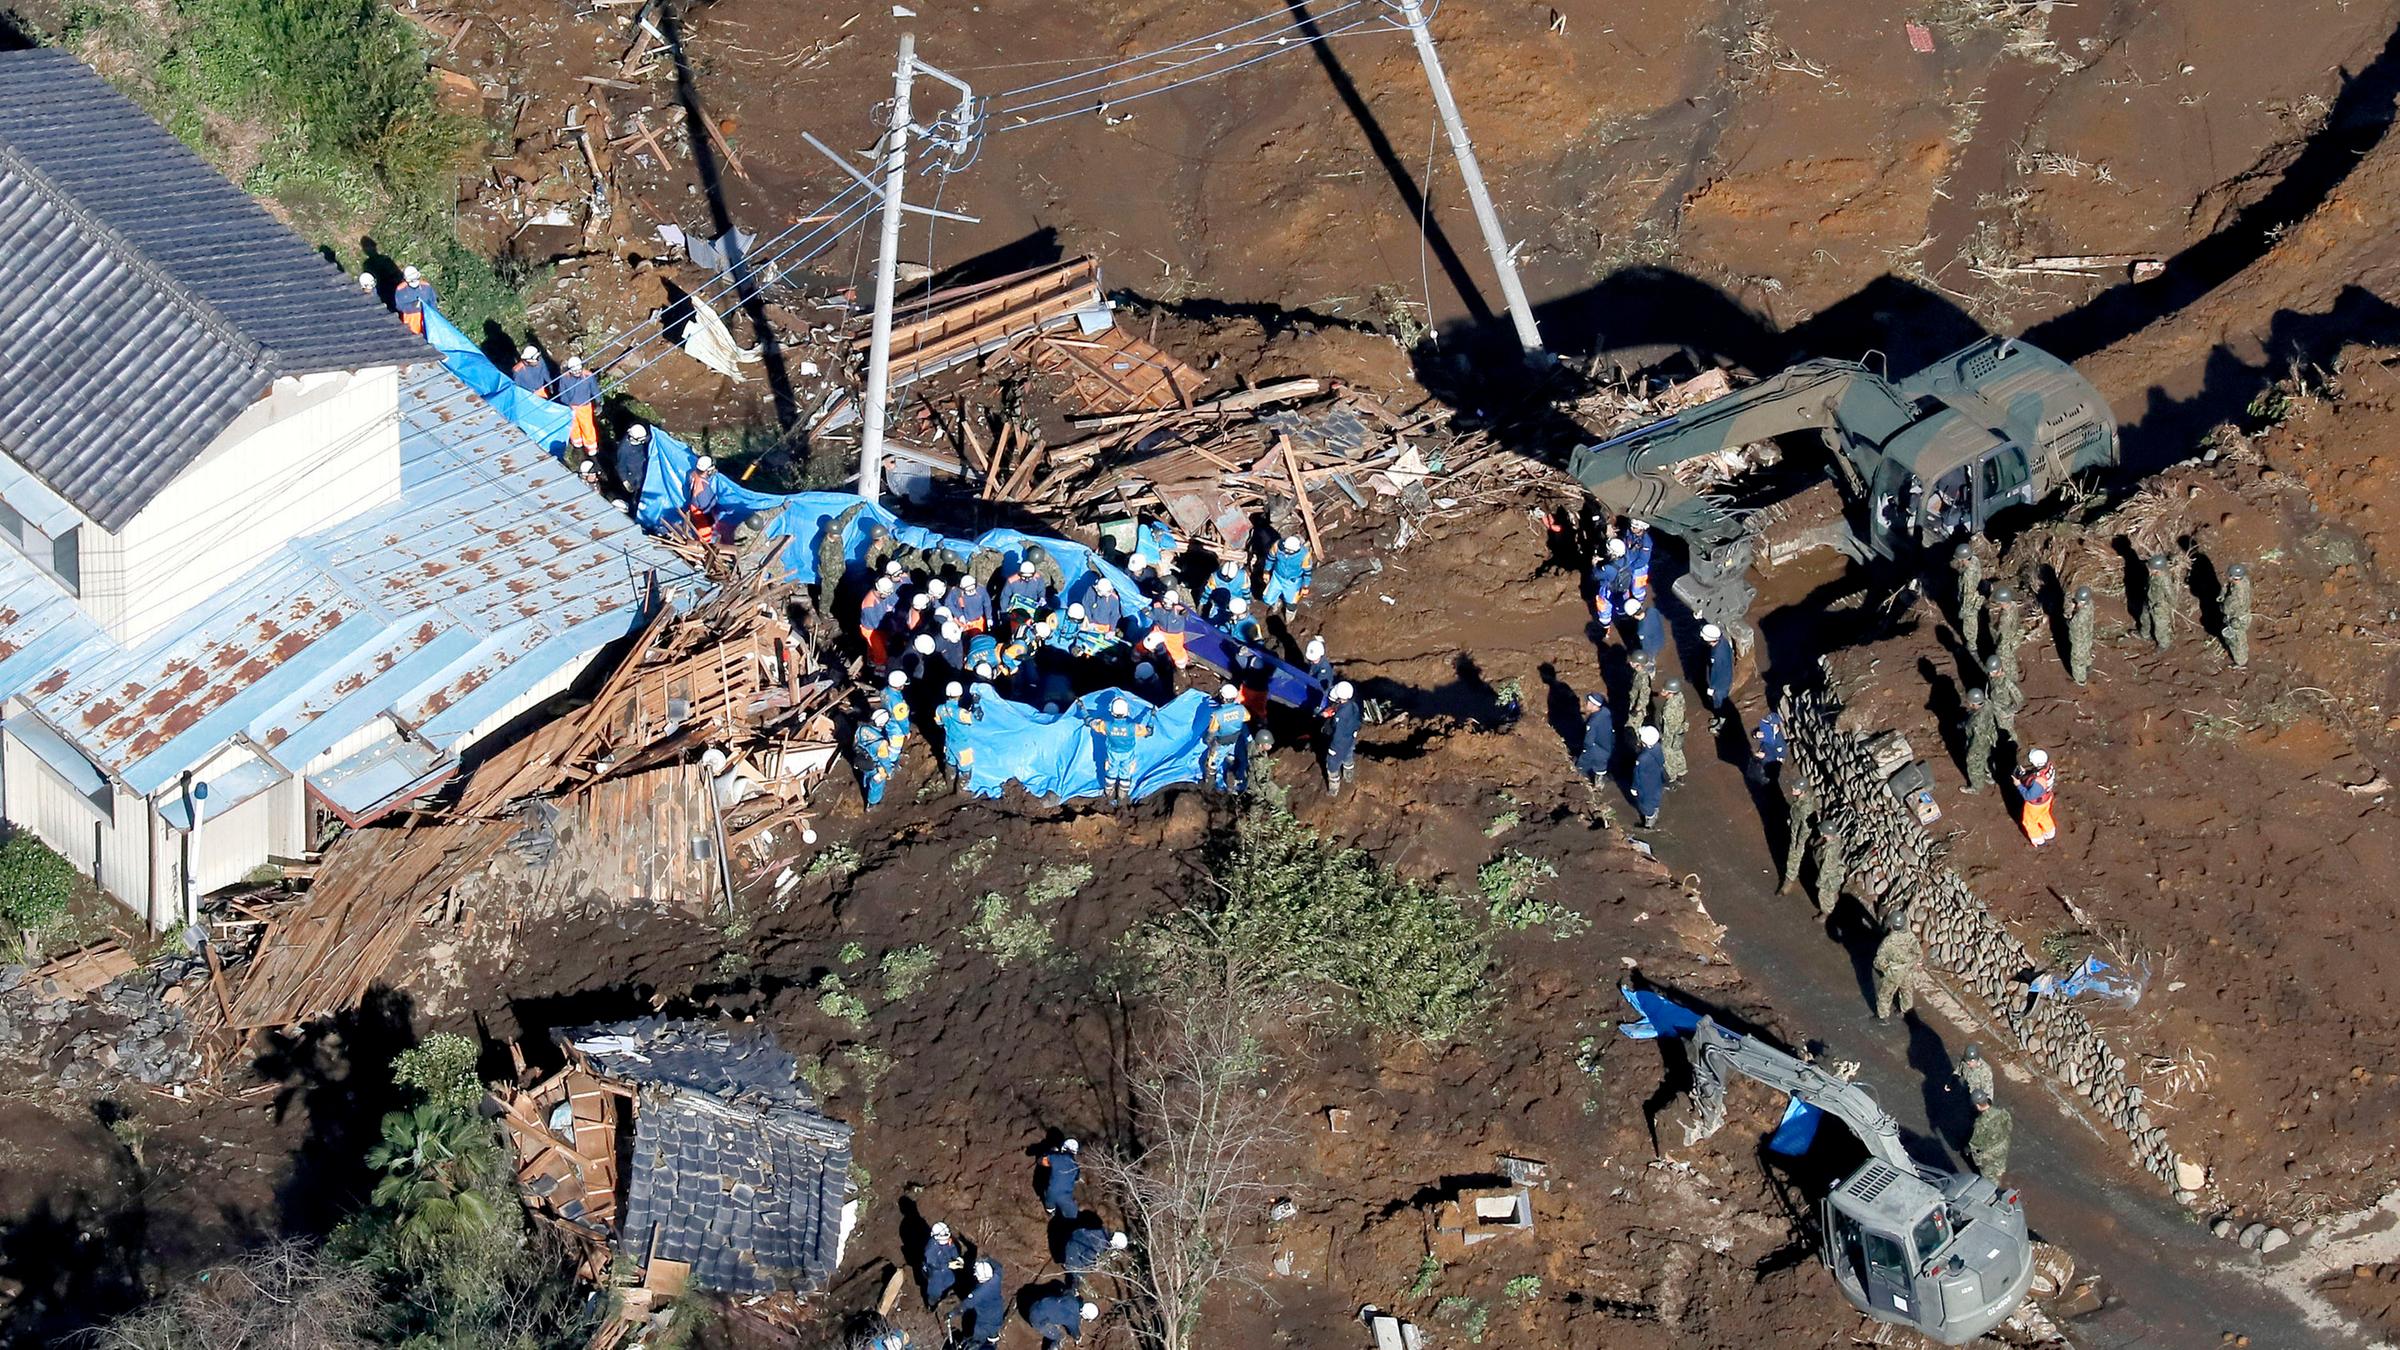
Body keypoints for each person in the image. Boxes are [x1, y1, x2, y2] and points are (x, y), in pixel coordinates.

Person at [1089, 697, 1153, 805]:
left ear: (1112, 712)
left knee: (1111, 772)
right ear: (1126, 711)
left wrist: (1083, 709)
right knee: (1126, 774)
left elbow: (1091, 722)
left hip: (1112, 754)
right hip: (1128, 754)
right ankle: (1122, 799)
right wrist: (1152, 717)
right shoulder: (1133, 727)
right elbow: (1149, 732)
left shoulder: (1105, 725)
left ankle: (1109, 796)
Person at [1871, 908, 1921, 1021]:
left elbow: (1879, 960)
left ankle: (1883, 1017)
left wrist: (1885, 968)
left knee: (1885, 995)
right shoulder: (1910, 937)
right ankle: (1906, 1012)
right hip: (1907, 971)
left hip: (1893, 973)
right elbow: (1918, 954)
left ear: (1892, 925)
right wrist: (1912, 963)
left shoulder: (1888, 941)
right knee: (1906, 991)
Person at [1203, 684, 1250, 792]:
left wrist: (1208, 741)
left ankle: (1216, 787)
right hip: (1236, 741)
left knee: (1212, 764)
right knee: (1239, 761)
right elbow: (1247, 718)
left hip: (1221, 743)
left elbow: (1211, 731)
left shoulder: (1217, 715)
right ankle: (1238, 784)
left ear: (1223, 697)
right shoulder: (1241, 709)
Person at [557, 355, 602, 467]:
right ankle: (577, 445)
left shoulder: (588, 376)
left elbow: (595, 390)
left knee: (587, 427)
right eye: (575, 371)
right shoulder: (564, 378)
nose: (577, 372)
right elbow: (562, 393)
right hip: (571, 407)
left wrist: (598, 402)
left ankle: (591, 449)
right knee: (573, 427)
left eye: (579, 370)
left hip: (585, 406)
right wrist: (567, 405)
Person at [1322, 680, 1362, 797]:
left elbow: (1338, 734)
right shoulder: (1353, 705)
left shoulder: (1341, 715)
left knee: (1332, 765)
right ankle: (1349, 776)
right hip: (1350, 738)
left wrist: (1333, 748)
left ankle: (1334, 789)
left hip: (1340, 744)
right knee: (1348, 756)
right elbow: (1356, 722)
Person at [854, 709, 902, 807]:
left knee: (866, 775)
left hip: (862, 759)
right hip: (874, 766)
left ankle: (865, 787)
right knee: (877, 784)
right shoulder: (881, 743)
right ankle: (872, 803)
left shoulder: (862, 728)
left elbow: (855, 743)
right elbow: (884, 760)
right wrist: (889, 771)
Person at [1140, 591, 1197, 673]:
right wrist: (1147, 613)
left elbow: (1189, 616)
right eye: (1165, 601)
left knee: (1176, 651)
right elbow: (1154, 616)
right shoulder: (1159, 607)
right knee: (1148, 641)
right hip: (1160, 630)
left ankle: (1181, 666)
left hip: (1174, 635)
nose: (1165, 604)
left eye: (1168, 602)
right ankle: (1138, 653)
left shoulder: (1178, 610)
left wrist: (1185, 613)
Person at [933, 682, 976, 789]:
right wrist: (976, 705)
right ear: (960, 695)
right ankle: (961, 792)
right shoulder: (961, 712)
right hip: (962, 745)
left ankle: (949, 785)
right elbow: (975, 719)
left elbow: (939, 723)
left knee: (950, 763)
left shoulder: (939, 709)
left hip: (949, 743)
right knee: (966, 768)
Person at [958, 1258, 1007, 1350]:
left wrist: (951, 1313)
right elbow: (998, 1267)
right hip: (997, 1317)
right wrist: (988, 1259)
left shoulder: (979, 1293)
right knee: (993, 1332)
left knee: (977, 1341)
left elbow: (965, 1305)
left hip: (983, 1324)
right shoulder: (996, 1279)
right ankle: (993, 1341)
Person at [1026, 1289, 1100, 1349]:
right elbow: (1076, 1334)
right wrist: (1078, 1338)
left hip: (1035, 1305)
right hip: (1036, 1319)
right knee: (1060, 1337)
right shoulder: (1074, 1319)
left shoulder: (1071, 1297)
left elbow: (1068, 1291)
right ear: (1085, 1315)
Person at [1968, 1088, 2013, 1183]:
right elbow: (2009, 1127)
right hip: (2003, 1145)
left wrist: (1969, 1150)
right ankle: (2001, 1174)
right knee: (2000, 1165)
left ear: (1977, 1105)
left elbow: (1976, 1144)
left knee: (1989, 1176)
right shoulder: (2001, 1112)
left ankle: (1995, 1188)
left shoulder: (1980, 1123)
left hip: (1990, 1154)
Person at [2015, 747, 2057, 847]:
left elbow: (2028, 796)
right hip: (2046, 799)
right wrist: (2025, 773)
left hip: (2035, 805)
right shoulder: (2048, 768)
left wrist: (2018, 785)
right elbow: (2037, 774)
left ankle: (2038, 839)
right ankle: (2050, 832)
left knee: (2030, 821)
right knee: (2044, 815)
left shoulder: (2039, 781)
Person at [1778, 776, 1814, 894]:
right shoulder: (1800, 800)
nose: (1793, 789)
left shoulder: (1805, 807)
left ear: (1802, 791)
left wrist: (1800, 841)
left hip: (1798, 835)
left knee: (1794, 856)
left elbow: (1806, 827)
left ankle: (1789, 880)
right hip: (1795, 828)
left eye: (1796, 788)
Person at [1262, 535, 1313, 616]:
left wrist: (1305, 586)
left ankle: (1289, 616)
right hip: (1277, 577)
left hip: (1292, 581)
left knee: (1291, 602)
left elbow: (1307, 572)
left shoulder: (1305, 555)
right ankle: (1275, 603)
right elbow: (1270, 558)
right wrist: (1266, 571)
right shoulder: (1277, 546)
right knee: (1267, 599)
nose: (1287, 552)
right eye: (1286, 549)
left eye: (1290, 551)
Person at [1062, 1225, 1128, 1286]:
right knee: (1079, 1273)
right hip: (1071, 1250)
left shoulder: (1102, 1230)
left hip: (1075, 1235)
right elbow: (1085, 1259)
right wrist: (1094, 1264)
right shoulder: (1100, 1245)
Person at [919, 1220, 964, 1309]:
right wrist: (948, 1265)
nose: (946, 1241)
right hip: (935, 1273)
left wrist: (957, 1257)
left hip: (946, 1269)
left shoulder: (947, 1240)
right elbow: (933, 1264)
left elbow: (952, 1248)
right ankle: (931, 1304)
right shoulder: (930, 1250)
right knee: (935, 1291)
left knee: (950, 1280)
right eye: (943, 1239)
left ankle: (944, 1295)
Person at [1960, 687, 1997, 792]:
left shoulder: (1977, 722)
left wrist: (1971, 753)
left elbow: (1977, 741)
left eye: (1969, 702)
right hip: (1990, 738)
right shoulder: (1988, 704)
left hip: (1979, 743)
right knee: (1987, 758)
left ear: (1974, 704)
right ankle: (1989, 775)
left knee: (1974, 765)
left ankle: (1976, 788)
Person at [1575, 692, 1615, 787]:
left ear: (1594, 705)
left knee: (1579, 768)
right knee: (1601, 768)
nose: (1586, 703)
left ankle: (1583, 785)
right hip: (1607, 749)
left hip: (1595, 750)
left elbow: (1588, 742)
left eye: (1588, 702)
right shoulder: (1605, 713)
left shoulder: (1593, 723)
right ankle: (1600, 783)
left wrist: (1584, 751)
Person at [859, 577, 900, 668]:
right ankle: (878, 665)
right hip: (871, 631)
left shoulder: (880, 595)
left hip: (879, 627)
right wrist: (891, 625)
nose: (888, 596)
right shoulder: (869, 606)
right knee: (881, 654)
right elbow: (876, 624)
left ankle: (872, 656)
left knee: (882, 645)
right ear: (880, 591)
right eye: (886, 594)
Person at [1631, 724, 1665, 827]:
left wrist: (1634, 787)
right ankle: (1655, 811)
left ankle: (1649, 823)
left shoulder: (1642, 759)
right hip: (1657, 781)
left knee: (1646, 804)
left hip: (1645, 786)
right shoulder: (1658, 748)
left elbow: (1638, 775)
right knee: (1655, 798)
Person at [2219, 562, 2252, 668]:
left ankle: (2241, 662)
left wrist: (2222, 604)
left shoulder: (2236, 596)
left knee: (2238, 642)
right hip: (2244, 614)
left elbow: (2226, 609)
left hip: (2237, 620)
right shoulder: (2244, 581)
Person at [2142, 552, 2177, 650]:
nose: (2149, 569)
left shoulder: (2164, 580)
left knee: (2161, 626)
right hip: (2150, 599)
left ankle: (2164, 644)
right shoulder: (2154, 575)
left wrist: (2169, 606)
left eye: (2151, 568)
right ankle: (2145, 634)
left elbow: (2171, 595)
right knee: (2145, 618)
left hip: (2160, 605)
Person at [1041, 1139, 1082, 1219]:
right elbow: (1076, 1179)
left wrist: (1050, 1153)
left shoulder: (1054, 1157)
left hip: (1051, 1193)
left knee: (1050, 1207)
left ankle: (1050, 1212)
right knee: (1072, 1216)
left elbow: (1041, 1161)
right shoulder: (1076, 1167)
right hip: (1066, 1196)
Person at [2063, 583, 2096, 685]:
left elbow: (2072, 624)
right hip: (2087, 634)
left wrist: (2068, 616)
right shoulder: (2090, 604)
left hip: (2079, 639)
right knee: (2086, 650)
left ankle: (2080, 679)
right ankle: (2088, 666)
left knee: (2077, 659)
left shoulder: (2080, 617)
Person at [1812, 823, 1846, 917]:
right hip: (1834, 874)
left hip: (1829, 877)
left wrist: (1820, 881)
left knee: (1824, 894)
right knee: (1831, 893)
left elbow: (1825, 868)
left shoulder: (1830, 850)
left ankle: (1827, 913)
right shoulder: (1836, 840)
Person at [1703, 623, 1735, 718]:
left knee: (1719, 702)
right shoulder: (1723, 641)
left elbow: (1717, 672)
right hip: (1726, 677)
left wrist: (1713, 687)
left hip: (1720, 684)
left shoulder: (1717, 655)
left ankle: (1721, 719)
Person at [393, 264, 436, 335]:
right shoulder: (401, 290)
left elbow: (433, 302)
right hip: (411, 320)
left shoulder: (426, 287)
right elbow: (399, 306)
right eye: (412, 280)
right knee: (413, 337)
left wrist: (434, 316)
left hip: (427, 317)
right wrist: (413, 305)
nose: (415, 282)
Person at [613, 423, 652, 499]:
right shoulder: (624, 449)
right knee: (636, 494)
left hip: (642, 468)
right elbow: (621, 467)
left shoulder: (639, 441)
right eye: (642, 439)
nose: (644, 441)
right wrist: (625, 480)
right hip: (633, 476)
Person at [684, 455, 719, 537]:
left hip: (694, 505)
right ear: (707, 471)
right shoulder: (703, 488)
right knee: (705, 531)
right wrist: (710, 519)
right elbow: (705, 506)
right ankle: (704, 542)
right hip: (701, 512)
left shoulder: (692, 474)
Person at [1625, 595, 1665, 661]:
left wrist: (1647, 657)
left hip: (1653, 647)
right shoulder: (1651, 610)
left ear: (1633, 615)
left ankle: (1651, 662)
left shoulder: (1642, 631)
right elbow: (1660, 618)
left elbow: (1646, 647)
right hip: (1661, 637)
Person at [1624, 517, 1654, 599]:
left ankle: (1639, 600)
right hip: (1628, 562)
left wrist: (1630, 568)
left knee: (1637, 589)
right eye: (1631, 526)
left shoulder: (1646, 542)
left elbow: (1643, 560)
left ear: (1641, 528)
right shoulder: (1630, 533)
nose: (1631, 528)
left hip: (1639, 568)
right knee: (1624, 583)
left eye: (1634, 527)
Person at [1754, 707, 1787, 779]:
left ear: (1776, 727)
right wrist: (1755, 734)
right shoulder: (1769, 733)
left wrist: (1764, 756)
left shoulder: (1780, 745)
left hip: (1768, 766)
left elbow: (1779, 761)